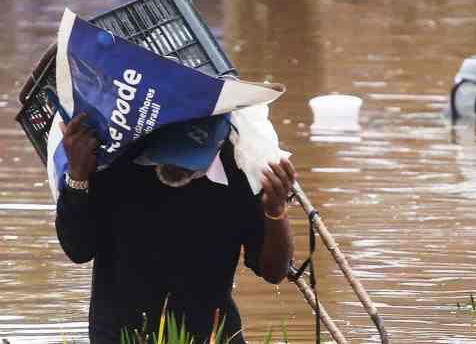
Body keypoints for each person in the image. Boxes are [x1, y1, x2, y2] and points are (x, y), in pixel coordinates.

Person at [55, 112, 297, 343]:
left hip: (210, 334)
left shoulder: (239, 161)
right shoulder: (115, 151)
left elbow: (274, 272)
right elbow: (78, 249)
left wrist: (276, 211)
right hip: (123, 335)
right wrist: (77, 176)